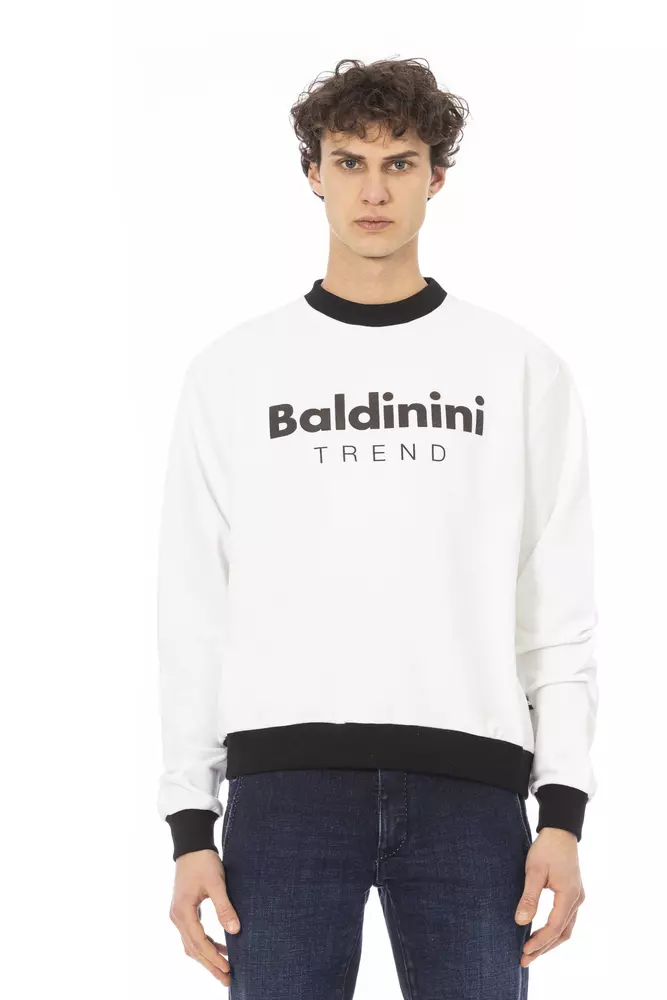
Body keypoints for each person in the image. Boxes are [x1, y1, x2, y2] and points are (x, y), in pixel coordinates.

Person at [156, 57, 598, 997]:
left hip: (471, 795)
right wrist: (190, 827)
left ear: (436, 178)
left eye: (399, 163)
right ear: (312, 173)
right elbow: (194, 607)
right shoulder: (234, 372)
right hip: (285, 793)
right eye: (348, 161)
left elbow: (555, 604)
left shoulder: (517, 368)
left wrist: (562, 814)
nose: (372, 190)